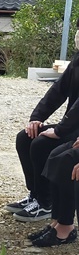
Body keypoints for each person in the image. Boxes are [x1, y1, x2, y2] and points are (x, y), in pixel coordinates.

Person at [6, 26, 79, 223]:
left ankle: (47, 203)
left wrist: (60, 130)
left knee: (42, 144)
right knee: (26, 136)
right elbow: (57, 91)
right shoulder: (77, 60)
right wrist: (36, 118)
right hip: (71, 125)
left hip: (75, 129)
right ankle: (36, 195)